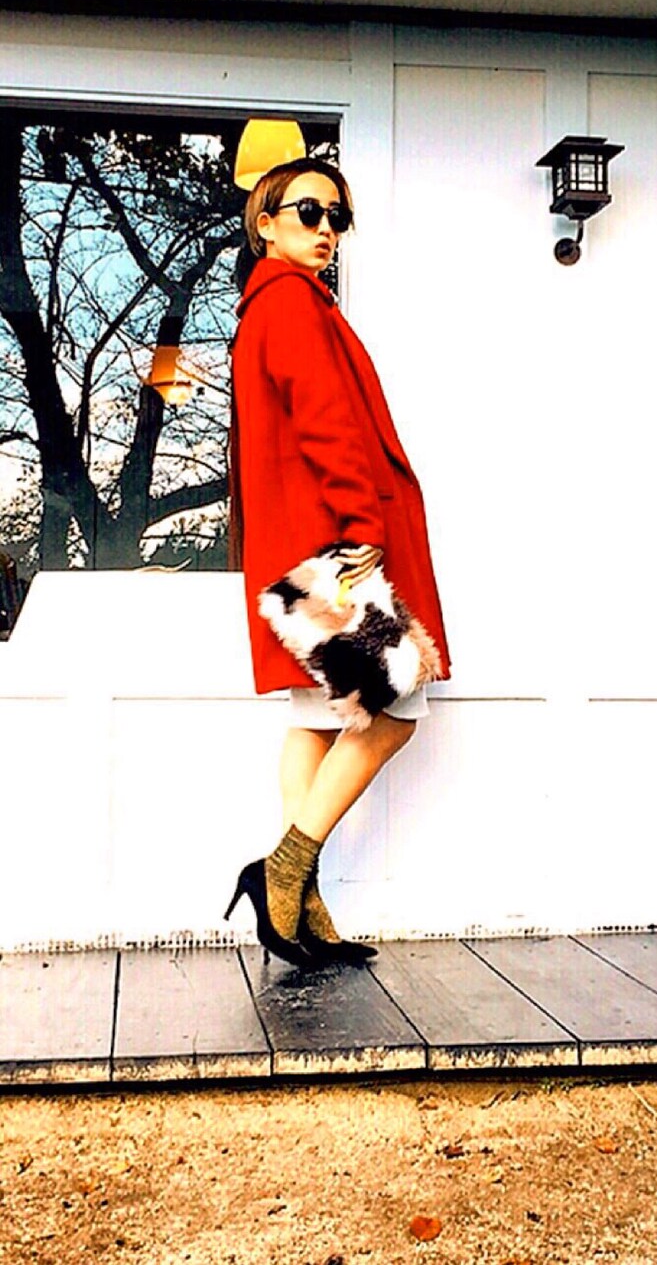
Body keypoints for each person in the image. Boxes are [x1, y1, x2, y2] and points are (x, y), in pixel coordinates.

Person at [225, 157, 450, 967]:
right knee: (395, 710)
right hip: (334, 544)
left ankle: (299, 908)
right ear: (266, 223)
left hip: (302, 544)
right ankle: (281, 872)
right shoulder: (289, 303)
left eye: (339, 218)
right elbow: (325, 421)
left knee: (317, 720)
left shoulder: (271, 306)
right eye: (310, 212)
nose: (327, 229)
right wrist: (362, 524)